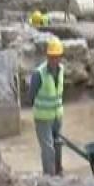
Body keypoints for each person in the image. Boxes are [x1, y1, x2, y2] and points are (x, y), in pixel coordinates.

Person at [31, 38, 65, 176]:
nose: (54, 60)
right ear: (47, 56)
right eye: (51, 57)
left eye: (56, 57)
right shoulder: (38, 74)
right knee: (48, 149)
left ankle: (58, 171)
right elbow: (31, 95)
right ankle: (49, 177)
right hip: (43, 117)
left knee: (57, 144)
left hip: (57, 116)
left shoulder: (61, 70)